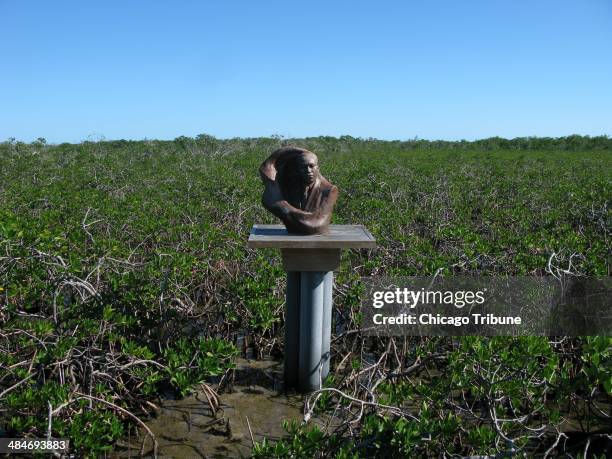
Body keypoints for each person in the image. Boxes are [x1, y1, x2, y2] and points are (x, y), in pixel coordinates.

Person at [259, 146, 338, 234]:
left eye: (311, 166)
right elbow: (266, 168)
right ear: (298, 170)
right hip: (292, 235)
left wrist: (281, 206)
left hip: (318, 242)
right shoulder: (290, 186)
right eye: (303, 167)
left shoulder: (329, 190)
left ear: (317, 168)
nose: (308, 170)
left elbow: (317, 224)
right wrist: (297, 151)